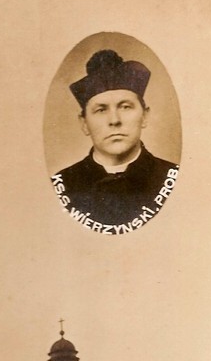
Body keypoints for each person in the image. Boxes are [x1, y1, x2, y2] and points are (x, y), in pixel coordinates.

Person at [51, 49, 178, 233]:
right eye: (101, 110)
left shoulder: (172, 178)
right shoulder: (61, 186)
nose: (114, 120)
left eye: (125, 107)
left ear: (145, 116)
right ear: (84, 123)